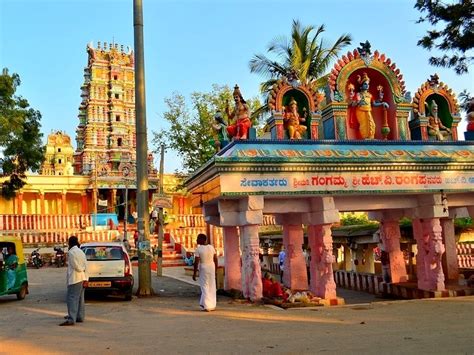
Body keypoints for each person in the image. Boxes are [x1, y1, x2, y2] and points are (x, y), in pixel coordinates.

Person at [350, 72, 389, 139]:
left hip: (368, 111)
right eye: (365, 84)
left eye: (368, 84)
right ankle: (365, 138)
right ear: (361, 86)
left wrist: (382, 103)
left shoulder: (370, 95)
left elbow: (374, 104)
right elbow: (352, 104)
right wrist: (358, 102)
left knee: (372, 125)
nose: (367, 86)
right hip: (360, 111)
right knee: (363, 125)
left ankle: (371, 138)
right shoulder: (358, 94)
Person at [60, 236, 88, 326]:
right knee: (80, 298)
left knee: (71, 298)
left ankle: (71, 318)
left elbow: (75, 265)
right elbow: (85, 265)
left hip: (75, 278)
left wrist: (80, 269)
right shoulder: (81, 252)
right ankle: (79, 316)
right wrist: (86, 278)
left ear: (70, 243)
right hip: (82, 277)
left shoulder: (71, 252)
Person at [192, 233, 217, 311]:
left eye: (198, 239)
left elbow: (196, 262)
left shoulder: (199, 249)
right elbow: (215, 259)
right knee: (212, 285)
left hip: (204, 267)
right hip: (211, 267)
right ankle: (207, 303)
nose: (196, 240)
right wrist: (215, 269)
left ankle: (207, 305)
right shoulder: (211, 247)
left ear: (202, 240)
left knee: (204, 286)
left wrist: (194, 273)